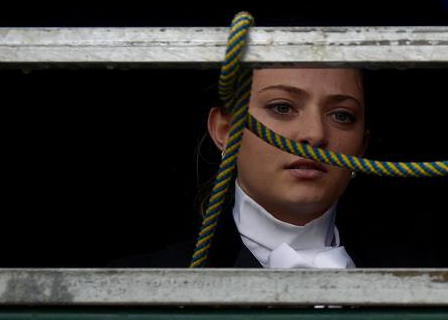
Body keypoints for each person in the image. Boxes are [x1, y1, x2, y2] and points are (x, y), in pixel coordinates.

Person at [121, 66, 370, 268]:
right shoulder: (134, 285)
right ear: (226, 131)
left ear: (362, 147)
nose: (314, 134)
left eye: (341, 115)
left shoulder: (407, 273)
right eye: (281, 107)